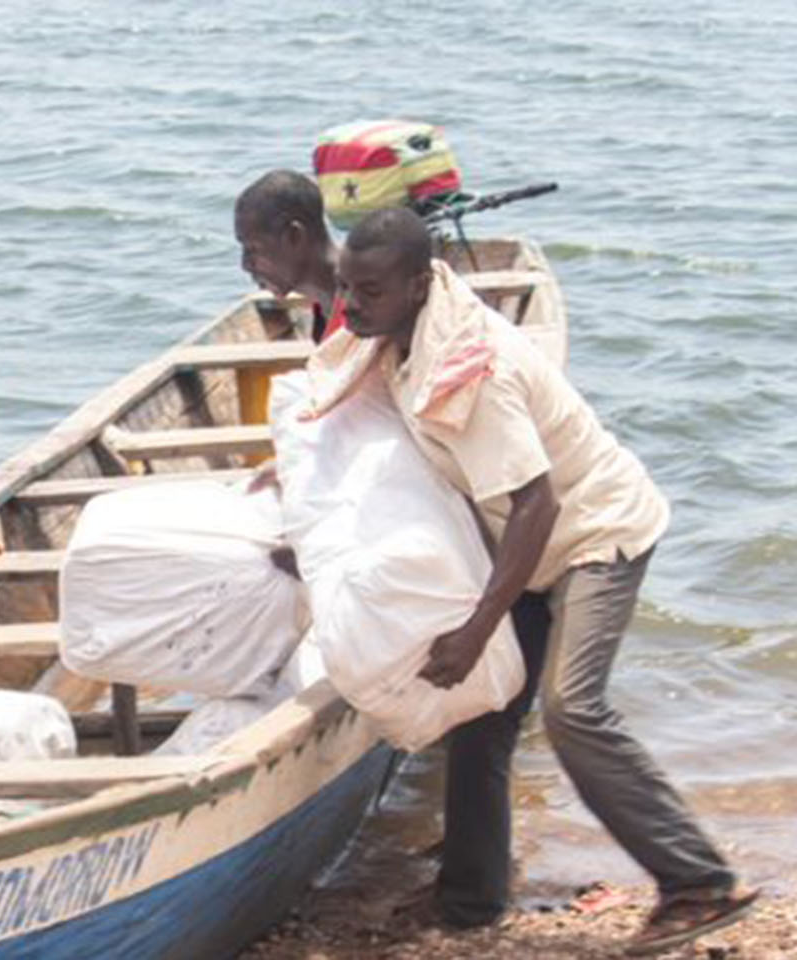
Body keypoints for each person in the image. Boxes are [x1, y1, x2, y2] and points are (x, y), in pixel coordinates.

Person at [233, 170, 755, 955]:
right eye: (352, 290)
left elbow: (538, 506)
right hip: (522, 542)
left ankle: (699, 882)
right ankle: (470, 902)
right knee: (480, 722)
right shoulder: (393, 322)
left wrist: (478, 629)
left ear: (419, 283)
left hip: (593, 536)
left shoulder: (469, 369)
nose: (358, 308)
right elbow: (347, 406)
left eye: (371, 293)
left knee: (572, 710)